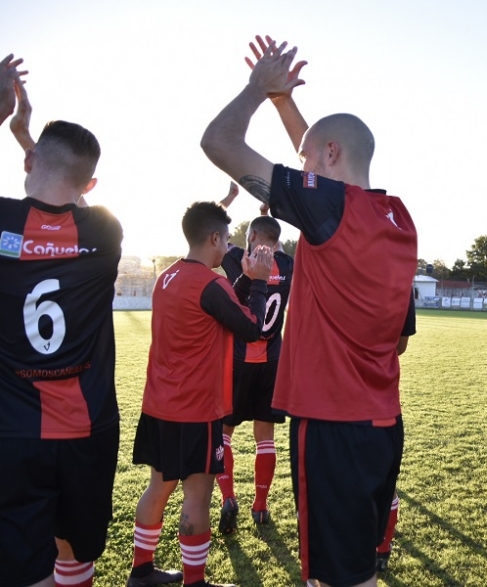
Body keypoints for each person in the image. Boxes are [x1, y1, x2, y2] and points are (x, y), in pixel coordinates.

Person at [201, 37, 417, 587]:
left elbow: (219, 142)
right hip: (381, 422)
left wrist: (257, 89)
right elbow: (325, 162)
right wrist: (284, 103)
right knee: (354, 566)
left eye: (308, 161)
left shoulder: (327, 207)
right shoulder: (397, 217)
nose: (302, 169)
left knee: (332, 578)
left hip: (332, 426)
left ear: (328, 159)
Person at [0, 55, 121, 587]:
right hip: (87, 427)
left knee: (24, 563)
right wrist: (28, 139)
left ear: (28, 164)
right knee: (76, 551)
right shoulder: (106, 232)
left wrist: (10, 121)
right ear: (91, 185)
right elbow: (61, 186)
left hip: (12, 428)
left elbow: (45, 178)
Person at [128, 202, 272, 587]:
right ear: (213, 238)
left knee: (157, 487)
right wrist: (258, 280)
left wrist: (241, 281)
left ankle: (141, 570)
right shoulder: (210, 284)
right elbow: (251, 326)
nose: (228, 248)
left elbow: (218, 306)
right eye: (226, 240)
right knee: (197, 495)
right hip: (196, 410)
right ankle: (194, 582)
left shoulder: (168, 276)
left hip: (159, 405)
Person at [212, 189, 294, 534]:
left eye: (249, 234)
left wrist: (229, 198)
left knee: (224, 434)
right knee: (266, 439)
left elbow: (211, 227)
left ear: (255, 237)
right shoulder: (288, 264)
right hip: (272, 359)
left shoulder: (240, 260)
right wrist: (270, 213)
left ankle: (228, 497)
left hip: (238, 357)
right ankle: (260, 505)